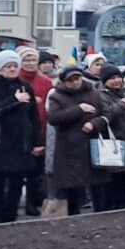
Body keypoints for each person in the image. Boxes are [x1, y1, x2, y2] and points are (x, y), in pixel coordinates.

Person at [0, 51, 43, 223]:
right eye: (8, 66)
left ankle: (11, 215)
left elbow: (33, 117)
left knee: (17, 182)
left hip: (20, 143)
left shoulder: (25, 86)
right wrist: (13, 100)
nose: (12, 69)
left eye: (15, 66)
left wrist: (37, 142)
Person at [45, 67, 110, 215]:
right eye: (71, 80)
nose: (75, 82)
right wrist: (79, 109)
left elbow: (106, 114)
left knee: (98, 182)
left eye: (78, 78)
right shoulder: (57, 96)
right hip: (69, 148)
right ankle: (73, 215)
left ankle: (101, 212)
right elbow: (54, 118)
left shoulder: (93, 92)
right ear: (64, 81)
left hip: (92, 144)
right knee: (72, 185)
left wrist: (94, 123)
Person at [95, 65, 125, 211]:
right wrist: (121, 105)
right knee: (112, 178)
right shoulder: (99, 95)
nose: (116, 81)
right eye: (112, 78)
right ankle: (109, 207)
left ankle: (122, 205)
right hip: (112, 141)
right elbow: (105, 115)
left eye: (118, 77)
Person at [16, 49, 55, 217]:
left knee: (36, 172)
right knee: (18, 171)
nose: (30, 63)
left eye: (33, 60)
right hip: (19, 132)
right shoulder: (15, 80)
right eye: (26, 60)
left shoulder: (46, 82)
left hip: (41, 130)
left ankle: (33, 202)